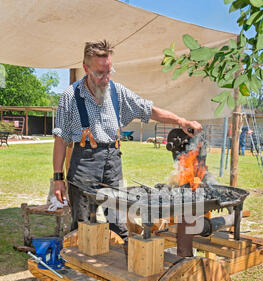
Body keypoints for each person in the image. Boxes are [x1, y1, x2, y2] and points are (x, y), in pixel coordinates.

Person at [53, 40, 202, 242]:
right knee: (82, 227)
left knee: (118, 225)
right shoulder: (70, 97)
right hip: (84, 166)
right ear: (86, 68)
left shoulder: (117, 92)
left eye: (109, 72)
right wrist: (58, 179)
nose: (106, 79)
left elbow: (149, 110)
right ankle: (80, 270)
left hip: (112, 163)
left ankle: (120, 268)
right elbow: (61, 140)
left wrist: (180, 121)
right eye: (100, 73)